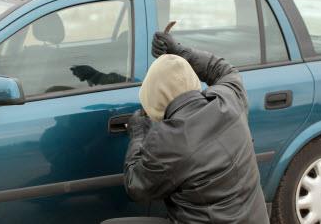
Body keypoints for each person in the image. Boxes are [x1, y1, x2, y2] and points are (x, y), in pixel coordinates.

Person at [103, 32, 269, 224]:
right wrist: (180, 51)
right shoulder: (229, 100)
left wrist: (138, 135)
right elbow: (223, 70)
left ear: (156, 102)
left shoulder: (168, 141)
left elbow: (136, 187)